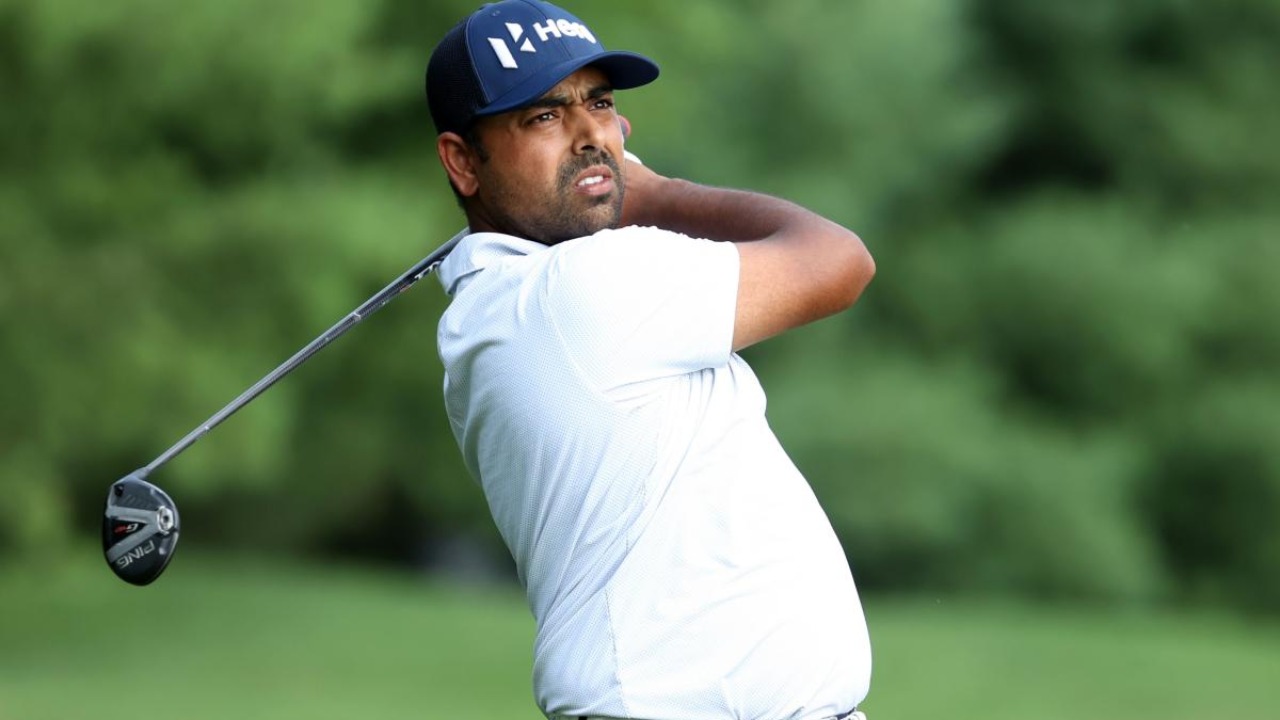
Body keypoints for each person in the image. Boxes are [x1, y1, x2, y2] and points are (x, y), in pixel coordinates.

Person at [426, 2, 875, 719]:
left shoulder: (502, 306)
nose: (589, 136)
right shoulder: (574, 291)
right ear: (461, 161)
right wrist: (652, 192)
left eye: (598, 104)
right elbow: (839, 262)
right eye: (543, 117)